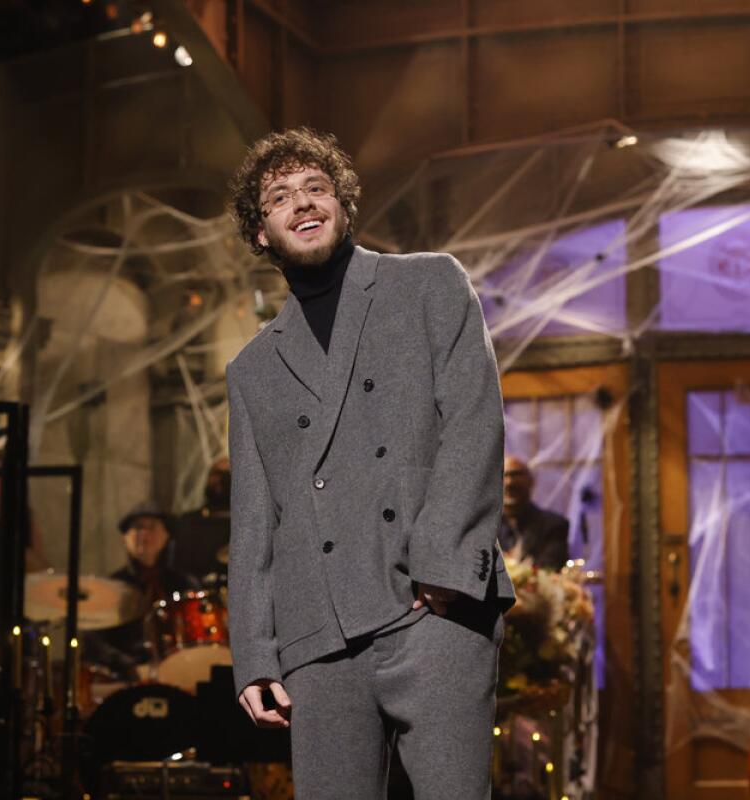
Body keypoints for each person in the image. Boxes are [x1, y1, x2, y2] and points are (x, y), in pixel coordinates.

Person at [225, 127, 515, 800]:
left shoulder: (428, 284)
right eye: (279, 196)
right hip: (318, 634)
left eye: (316, 187)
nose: (302, 202)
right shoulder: (253, 369)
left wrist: (442, 572)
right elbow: (254, 521)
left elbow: (475, 422)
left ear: (343, 205)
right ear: (261, 232)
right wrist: (254, 653)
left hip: (431, 612)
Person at [83, 502, 197, 679]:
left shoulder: (184, 584)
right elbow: (93, 640)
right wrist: (127, 665)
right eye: (137, 528)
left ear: (166, 535)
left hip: (180, 673)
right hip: (125, 677)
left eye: (151, 527)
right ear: (125, 537)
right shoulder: (110, 587)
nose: (144, 534)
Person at [498, 456, 571, 570]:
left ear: (531, 481)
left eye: (516, 474)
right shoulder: (485, 527)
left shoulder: (554, 525)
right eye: (503, 475)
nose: (509, 482)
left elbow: (549, 568)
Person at [170, 458, 232, 580]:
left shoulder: (252, 524)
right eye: (215, 474)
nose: (219, 480)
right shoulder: (188, 522)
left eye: (227, 475)